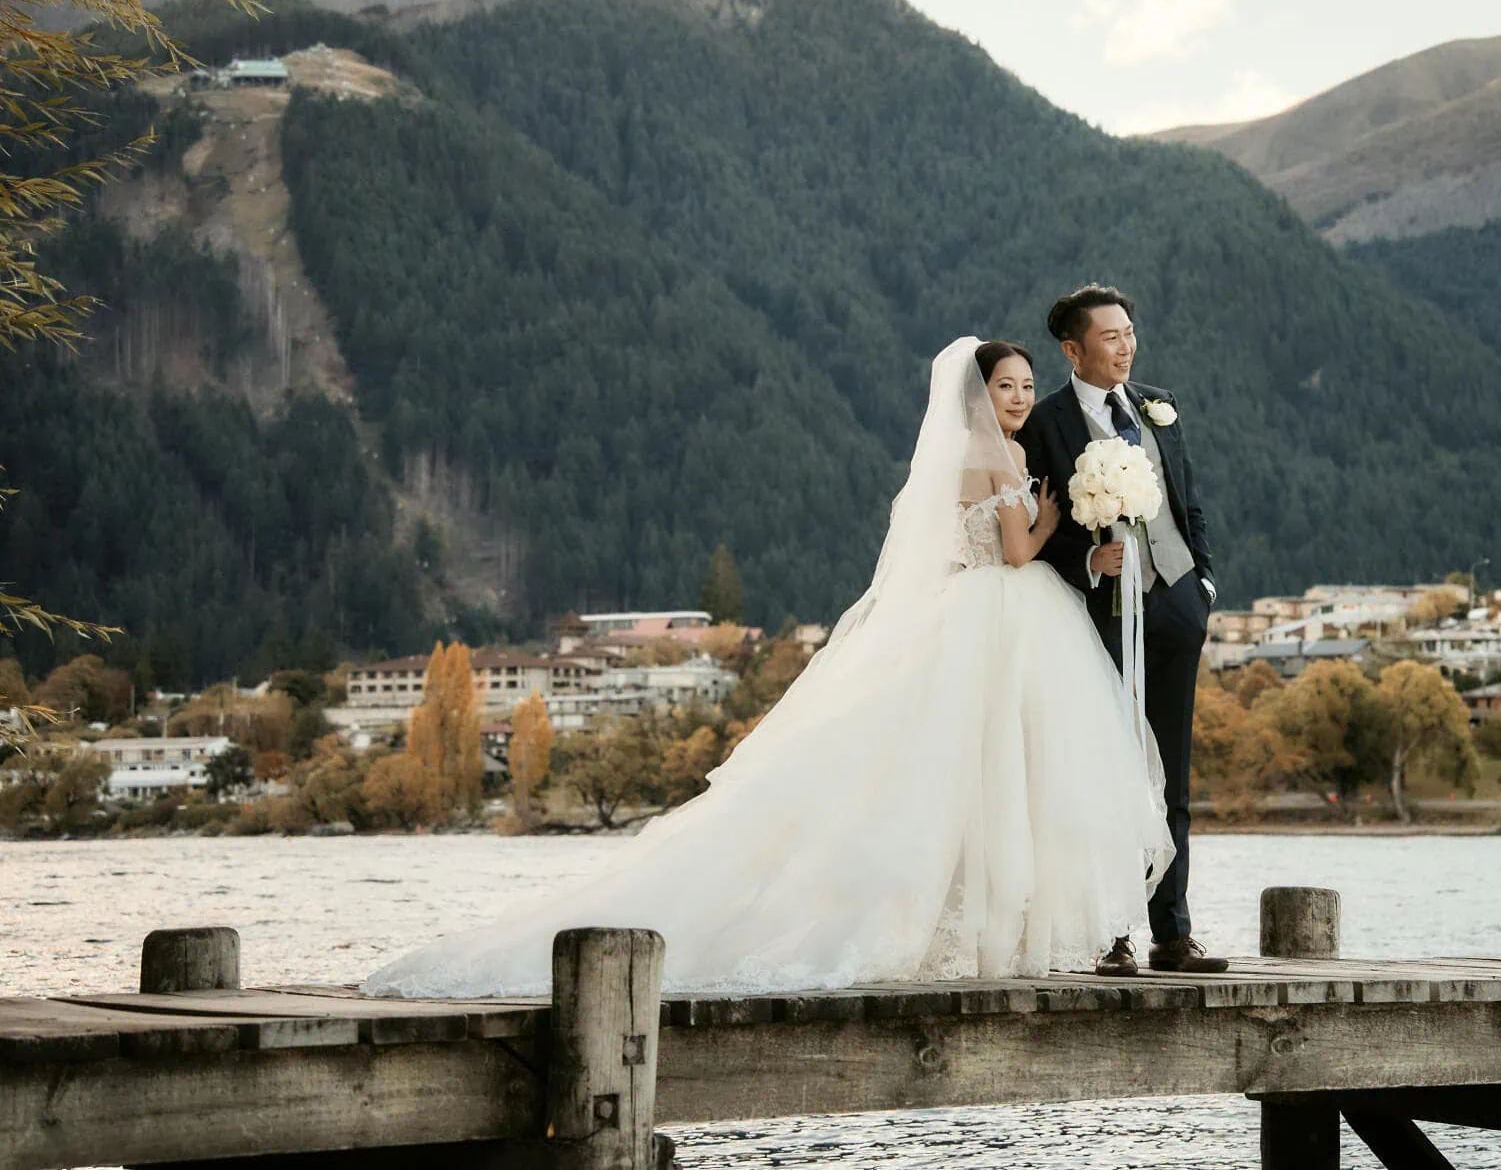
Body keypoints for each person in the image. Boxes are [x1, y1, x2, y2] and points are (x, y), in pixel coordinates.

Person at [364, 337, 1172, 997]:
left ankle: (982, 928)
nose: (1022, 397)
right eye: (1007, 386)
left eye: (1028, 385)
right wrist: (1060, 510)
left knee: (973, 776)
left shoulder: (992, 454)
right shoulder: (985, 459)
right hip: (997, 613)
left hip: (993, 618)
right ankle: (990, 931)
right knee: (983, 773)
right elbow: (1018, 548)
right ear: (976, 394)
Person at [1017, 285, 1228, 975]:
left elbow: (1187, 497)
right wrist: (1087, 560)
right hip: (1100, 615)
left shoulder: (1157, 406)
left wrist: (1201, 583)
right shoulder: (1045, 423)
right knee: (1103, 775)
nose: (1125, 346)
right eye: (1110, 336)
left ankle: (1173, 932)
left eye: (1130, 332)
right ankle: (1109, 936)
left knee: (1172, 778)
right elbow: (1034, 524)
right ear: (1073, 349)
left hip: (1174, 606)